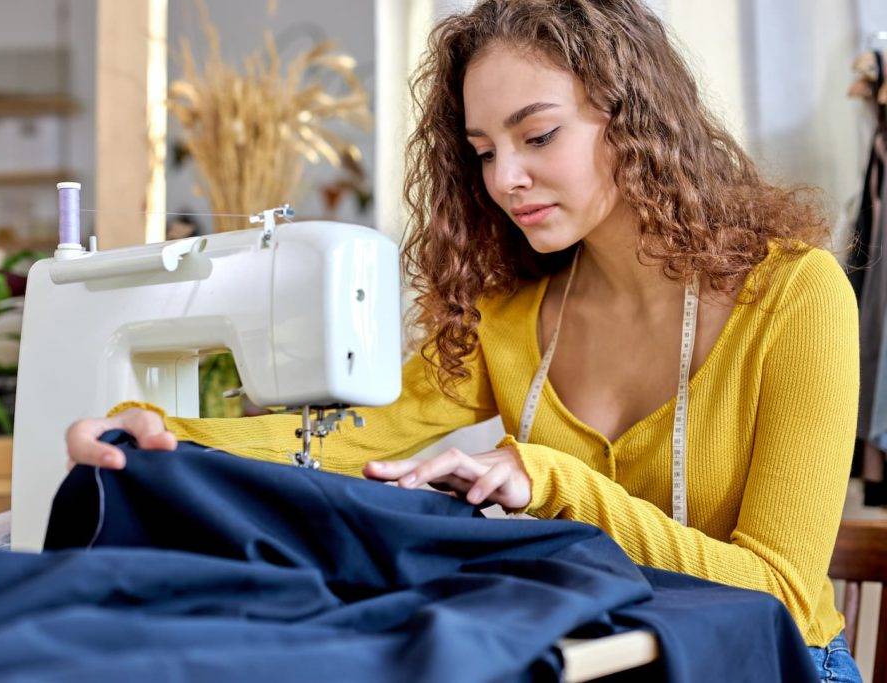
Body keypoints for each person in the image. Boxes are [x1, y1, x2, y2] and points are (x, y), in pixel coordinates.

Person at [65, 1, 861, 679]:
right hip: (607, 660)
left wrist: (550, 480)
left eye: (538, 136)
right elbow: (351, 439)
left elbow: (782, 599)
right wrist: (158, 431)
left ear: (637, 121)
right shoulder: (508, 316)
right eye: (483, 153)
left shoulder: (793, 296)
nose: (504, 178)